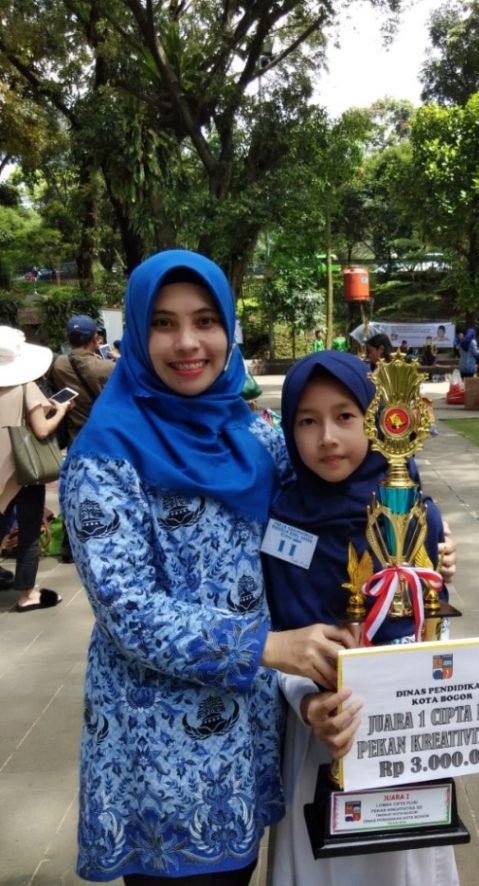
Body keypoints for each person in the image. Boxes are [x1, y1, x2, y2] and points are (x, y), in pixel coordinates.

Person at [59, 249, 354, 884]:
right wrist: (270, 647)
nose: (188, 342)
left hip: (248, 739)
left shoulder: (256, 435)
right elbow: (128, 612)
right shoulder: (104, 455)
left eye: (205, 321)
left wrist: (419, 540)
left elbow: (331, 506)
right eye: (164, 323)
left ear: (229, 331)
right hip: (160, 753)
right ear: (136, 334)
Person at [263, 350, 459, 886]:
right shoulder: (282, 521)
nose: (327, 437)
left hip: (407, 729)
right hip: (321, 730)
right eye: (307, 420)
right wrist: (309, 701)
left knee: (405, 862)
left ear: (377, 421)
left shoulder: (413, 510)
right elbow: (276, 635)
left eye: (345, 416)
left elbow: (434, 622)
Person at [0, 326, 70, 610]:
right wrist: (61, 411)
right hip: (21, 468)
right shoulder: (25, 385)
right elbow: (41, 430)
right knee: (29, 530)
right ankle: (27, 593)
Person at [50, 314, 116, 444]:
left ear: (67, 338)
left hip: (75, 439)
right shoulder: (109, 367)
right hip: (104, 438)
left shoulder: (58, 364)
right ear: (95, 338)